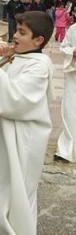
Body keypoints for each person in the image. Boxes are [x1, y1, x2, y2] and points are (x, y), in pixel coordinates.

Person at [0, 11, 54, 235]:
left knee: (12, 192)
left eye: (22, 32)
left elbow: (16, 99)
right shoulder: (15, 56)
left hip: (20, 140)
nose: (15, 36)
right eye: (16, 30)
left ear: (38, 41)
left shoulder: (38, 66)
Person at [55, 22, 76, 163]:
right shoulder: (74, 28)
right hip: (74, 75)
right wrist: (72, 52)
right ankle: (67, 149)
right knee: (70, 109)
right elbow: (64, 46)